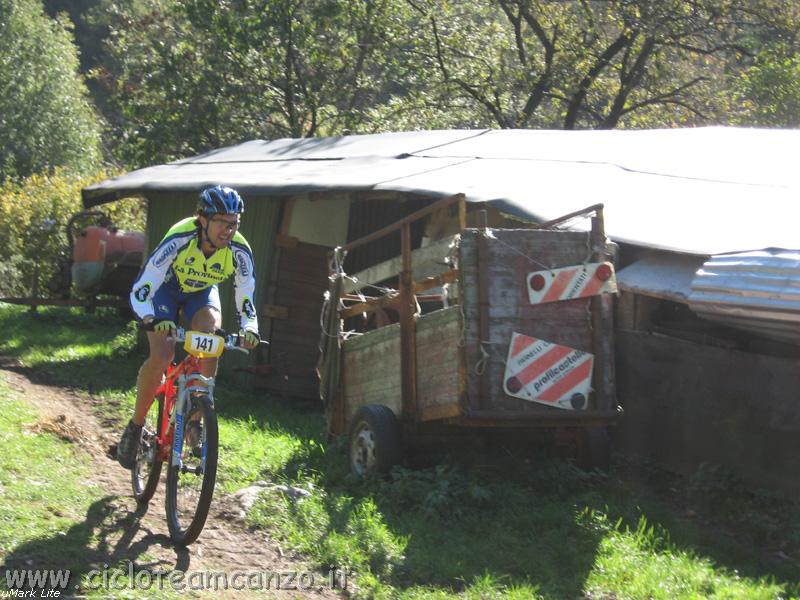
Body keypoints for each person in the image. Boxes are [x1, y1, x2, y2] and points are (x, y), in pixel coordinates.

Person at [117, 185, 260, 469]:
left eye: (234, 223)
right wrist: (150, 317)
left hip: (201, 293)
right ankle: (135, 426)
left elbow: (246, 294)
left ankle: (196, 419)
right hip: (164, 290)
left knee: (211, 340)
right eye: (221, 221)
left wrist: (250, 327)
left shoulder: (239, 250)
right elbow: (144, 286)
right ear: (202, 219)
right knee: (163, 356)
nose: (228, 230)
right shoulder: (180, 236)